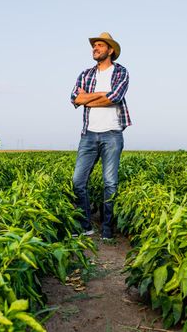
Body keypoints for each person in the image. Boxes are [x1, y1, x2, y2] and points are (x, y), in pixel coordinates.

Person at [70, 32, 131, 240]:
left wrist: (87, 98)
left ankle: (106, 228)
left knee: (110, 182)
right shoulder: (86, 74)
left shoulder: (121, 72)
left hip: (112, 134)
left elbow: (116, 97)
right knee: (78, 181)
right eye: (94, 45)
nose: (95, 48)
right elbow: (74, 98)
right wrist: (100, 95)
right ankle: (86, 225)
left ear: (110, 50)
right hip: (88, 135)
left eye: (99, 45)